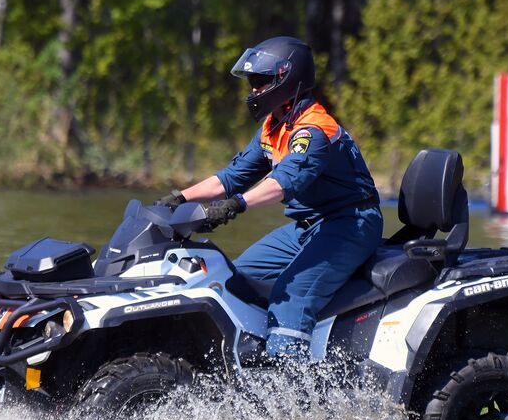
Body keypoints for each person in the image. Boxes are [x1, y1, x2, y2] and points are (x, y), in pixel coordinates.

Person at [157, 35, 383, 360]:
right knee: (235, 279)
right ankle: (250, 356)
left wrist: (234, 207)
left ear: (286, 80)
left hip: (349, 225)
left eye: (260, 82)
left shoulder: (313, 130)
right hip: (307, 227)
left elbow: (282, 183)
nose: (253, 91)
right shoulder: (274, 125)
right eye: (252, 83)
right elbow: (232, 177)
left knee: (291, 296)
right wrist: (177, 199)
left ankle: (288, 391)